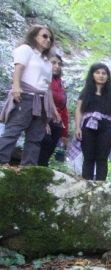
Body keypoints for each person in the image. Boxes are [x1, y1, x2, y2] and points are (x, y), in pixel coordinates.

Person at [0, 25, 60, 165]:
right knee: (13, 131)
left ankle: (28, 167)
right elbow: (18, 68)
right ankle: (1, 163)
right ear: (34, 36)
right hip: (25, 96)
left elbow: (48, 87)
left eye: (50, 38)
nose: (48, 40)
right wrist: (16, 87)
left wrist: (53, 109)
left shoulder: (47, 61)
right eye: (44, 36)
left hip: (41, 100)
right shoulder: (26, 50)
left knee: (35, 137)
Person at [75, 63, 111, 181]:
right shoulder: (85, 93)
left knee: (102, 158)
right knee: (88, 157)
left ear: (108, 76)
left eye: (104, 73)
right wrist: (77, 128)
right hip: (88, 126)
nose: (101, 76)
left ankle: (101, 186)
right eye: (98, 73)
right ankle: (86, 184)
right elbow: (79, 111)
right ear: (92, 75)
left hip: (107, 127)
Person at [38, 53, 69, 166]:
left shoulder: (60, 83)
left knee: (49, 150)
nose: (57, 66)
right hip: (42, 117)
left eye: (59, 64)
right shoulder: (41, 79)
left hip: (57, 122)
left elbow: (64, 109)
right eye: (53, 63)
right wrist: (43, 120)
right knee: (44, 143)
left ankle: (42, 175)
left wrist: (64, 133)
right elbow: (38, 101)